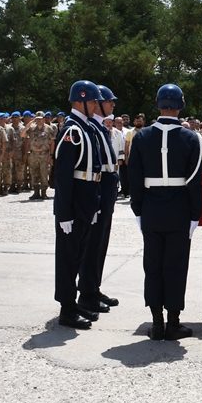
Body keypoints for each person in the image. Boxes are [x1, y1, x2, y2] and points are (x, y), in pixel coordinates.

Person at [127, 84, 202, 340]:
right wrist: (196, 214)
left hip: (151, 207)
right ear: (180, 106)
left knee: (153, 265)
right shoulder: (190, 137)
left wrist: (138, 208)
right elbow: (195, 181)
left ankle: (156, 323)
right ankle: (173, 322)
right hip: (179, 209)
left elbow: (134, 177)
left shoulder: (141, 136)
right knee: (175, 266)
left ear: (158, 104)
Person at [53, 80, 106, 330]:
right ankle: (67, 308)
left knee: (78, 256)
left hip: (86, 201)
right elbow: (63, 175)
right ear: (80, 101)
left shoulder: (85, 128)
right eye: (94, 101)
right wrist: (64, 212)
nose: (97, 105)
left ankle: (74, 304)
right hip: (73, 204)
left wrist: (94, 207)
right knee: (67, 258)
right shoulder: (71, 130)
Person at [78, 85, 123, 317]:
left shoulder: (100, 127)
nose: (113, 104)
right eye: (109, 101)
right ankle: (85, 293)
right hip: (100, 190)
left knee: (100, 243)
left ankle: (93, 288)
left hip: (107, 189)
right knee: (93, 244)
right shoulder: (92, 127)